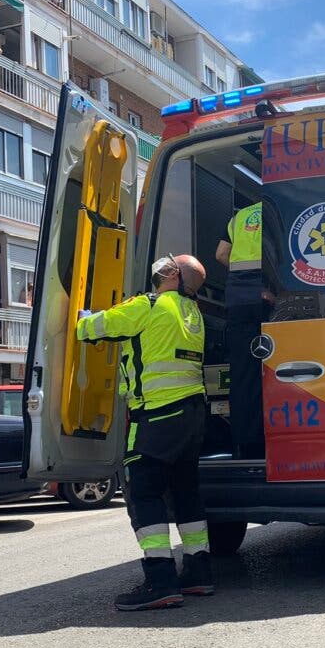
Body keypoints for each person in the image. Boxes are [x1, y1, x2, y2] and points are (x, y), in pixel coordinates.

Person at [75, 254, 212, 611]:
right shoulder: (192, 313)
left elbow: (90, 329)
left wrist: (82, 316)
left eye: (169, 264)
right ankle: (198, 574)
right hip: (192, 415)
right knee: (185, 493)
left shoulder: (149, 305)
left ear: (172, 275)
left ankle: (160, 580)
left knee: (143, 492)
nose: (162, 266)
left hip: (156, 416)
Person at [216, 202, 267, 459]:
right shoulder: (276, 210)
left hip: (238, 301)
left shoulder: (240, 217)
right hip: (267, 298)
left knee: (243, 374)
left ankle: (246, 445)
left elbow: (221, 254)